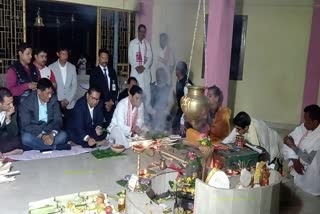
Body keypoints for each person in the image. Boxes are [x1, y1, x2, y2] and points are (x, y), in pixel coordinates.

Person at [19, 78, 70, 151]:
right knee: (25, 138)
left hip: (50, 130)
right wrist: (42, 136)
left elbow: (58, 120)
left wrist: (52, 135)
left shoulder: (53, 99)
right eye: (47, 93)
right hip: (35, 132)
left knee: (63, 135)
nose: (50, 96)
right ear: (39, 91)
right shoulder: (27, 102)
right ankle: (53, 147)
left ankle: (39, 146)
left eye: (51, 93)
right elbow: (26, 125)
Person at [282, 104, 320, 196]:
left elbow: (308, 159)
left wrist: (292, 146)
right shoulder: (305, 127)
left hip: (311, 178)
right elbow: (286, 139)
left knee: (306, 199)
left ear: (315, 122)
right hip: (297, 170)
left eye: (307, 121)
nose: (304, 123)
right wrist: (295, 159)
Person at [89, 48, 119, 127]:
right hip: (99, 104)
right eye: (103, 58)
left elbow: (115, 88)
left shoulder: (112, 71)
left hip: (111, 103)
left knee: (114, 126)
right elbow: (93, 90)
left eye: (106, 58)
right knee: (99, 127)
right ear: (99, 58)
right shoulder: (94, 72)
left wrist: (111, 102)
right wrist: (105, 103)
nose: (105, 60)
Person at [128, 24, 153, 114]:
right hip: (136, 74)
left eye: (144, 31)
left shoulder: (147, 44)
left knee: (147, 97)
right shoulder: (132, 43)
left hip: (145, 74)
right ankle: (134, 114)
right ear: (138, 32)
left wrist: (144, 66)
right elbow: (130, 57)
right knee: (136, 95)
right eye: (141, 31)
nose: (142, 33)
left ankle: (146, 115)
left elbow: (150, 58)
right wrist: (136, 66)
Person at [48, 47, 77, 117]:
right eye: (63, 54)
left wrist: (68, 100)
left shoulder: (72, 67)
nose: (65, 56)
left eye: (66, 54)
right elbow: (50, 86)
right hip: (56, 102)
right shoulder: (51, 67)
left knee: (69, 125)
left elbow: (74, 86)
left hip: (70, 103)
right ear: (58, 54)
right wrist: (59, 102)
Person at [0, 87, 23, 156]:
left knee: (18, 142)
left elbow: (14, 133)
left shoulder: (12, 110)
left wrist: (8, 118)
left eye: (12, 102)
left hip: (3, 139)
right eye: (8, 104)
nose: (11, 106)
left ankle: (4, 153)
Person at [150, 67, 174, 131]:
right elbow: (147, 103)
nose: (159, 77)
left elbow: (171, 102)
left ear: (164, 76)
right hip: (152, 115)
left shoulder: (169, 88)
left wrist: (165, 112)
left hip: (164, 115)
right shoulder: (151, 87)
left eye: (161, 75)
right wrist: (153, 112)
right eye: (158, 75)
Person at [172, 61, 192, 134]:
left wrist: (182, 121)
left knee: (179, 132)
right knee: (174, 128)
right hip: (180, 110)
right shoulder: (179, 81)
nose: (175, 70)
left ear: (180, 70)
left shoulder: (187, 85)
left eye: (177, 68)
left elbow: (188, 106)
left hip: (185, 113)